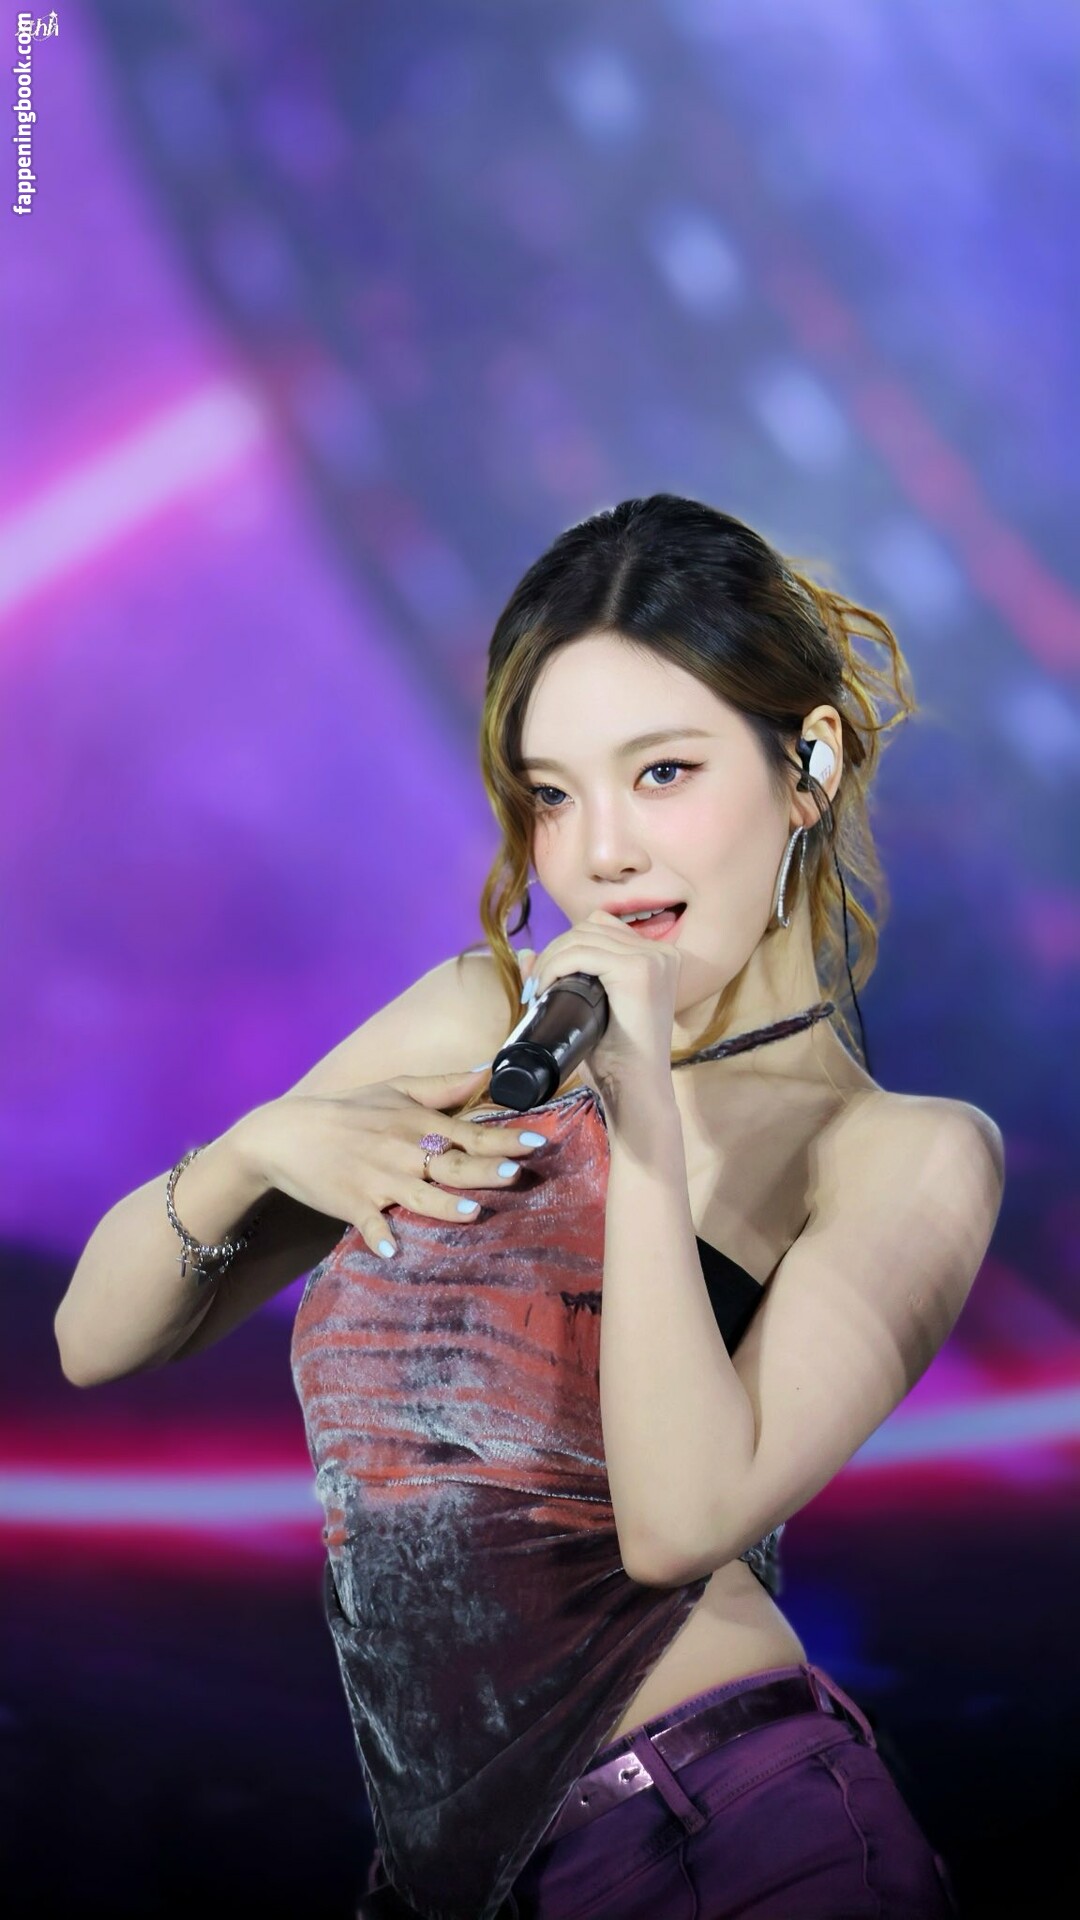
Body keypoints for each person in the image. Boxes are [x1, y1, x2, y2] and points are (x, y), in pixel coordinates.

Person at [56, 496, 1004, 1919]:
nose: (601, 853)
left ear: (806, 762)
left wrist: (644, 1118)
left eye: (664, 772)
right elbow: (97, 1339)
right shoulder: (478, 1023)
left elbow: (681, 1523)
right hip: (453, 1886)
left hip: (726, 1839)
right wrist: (254, 1151)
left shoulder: (901, 1154)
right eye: (553, 795)